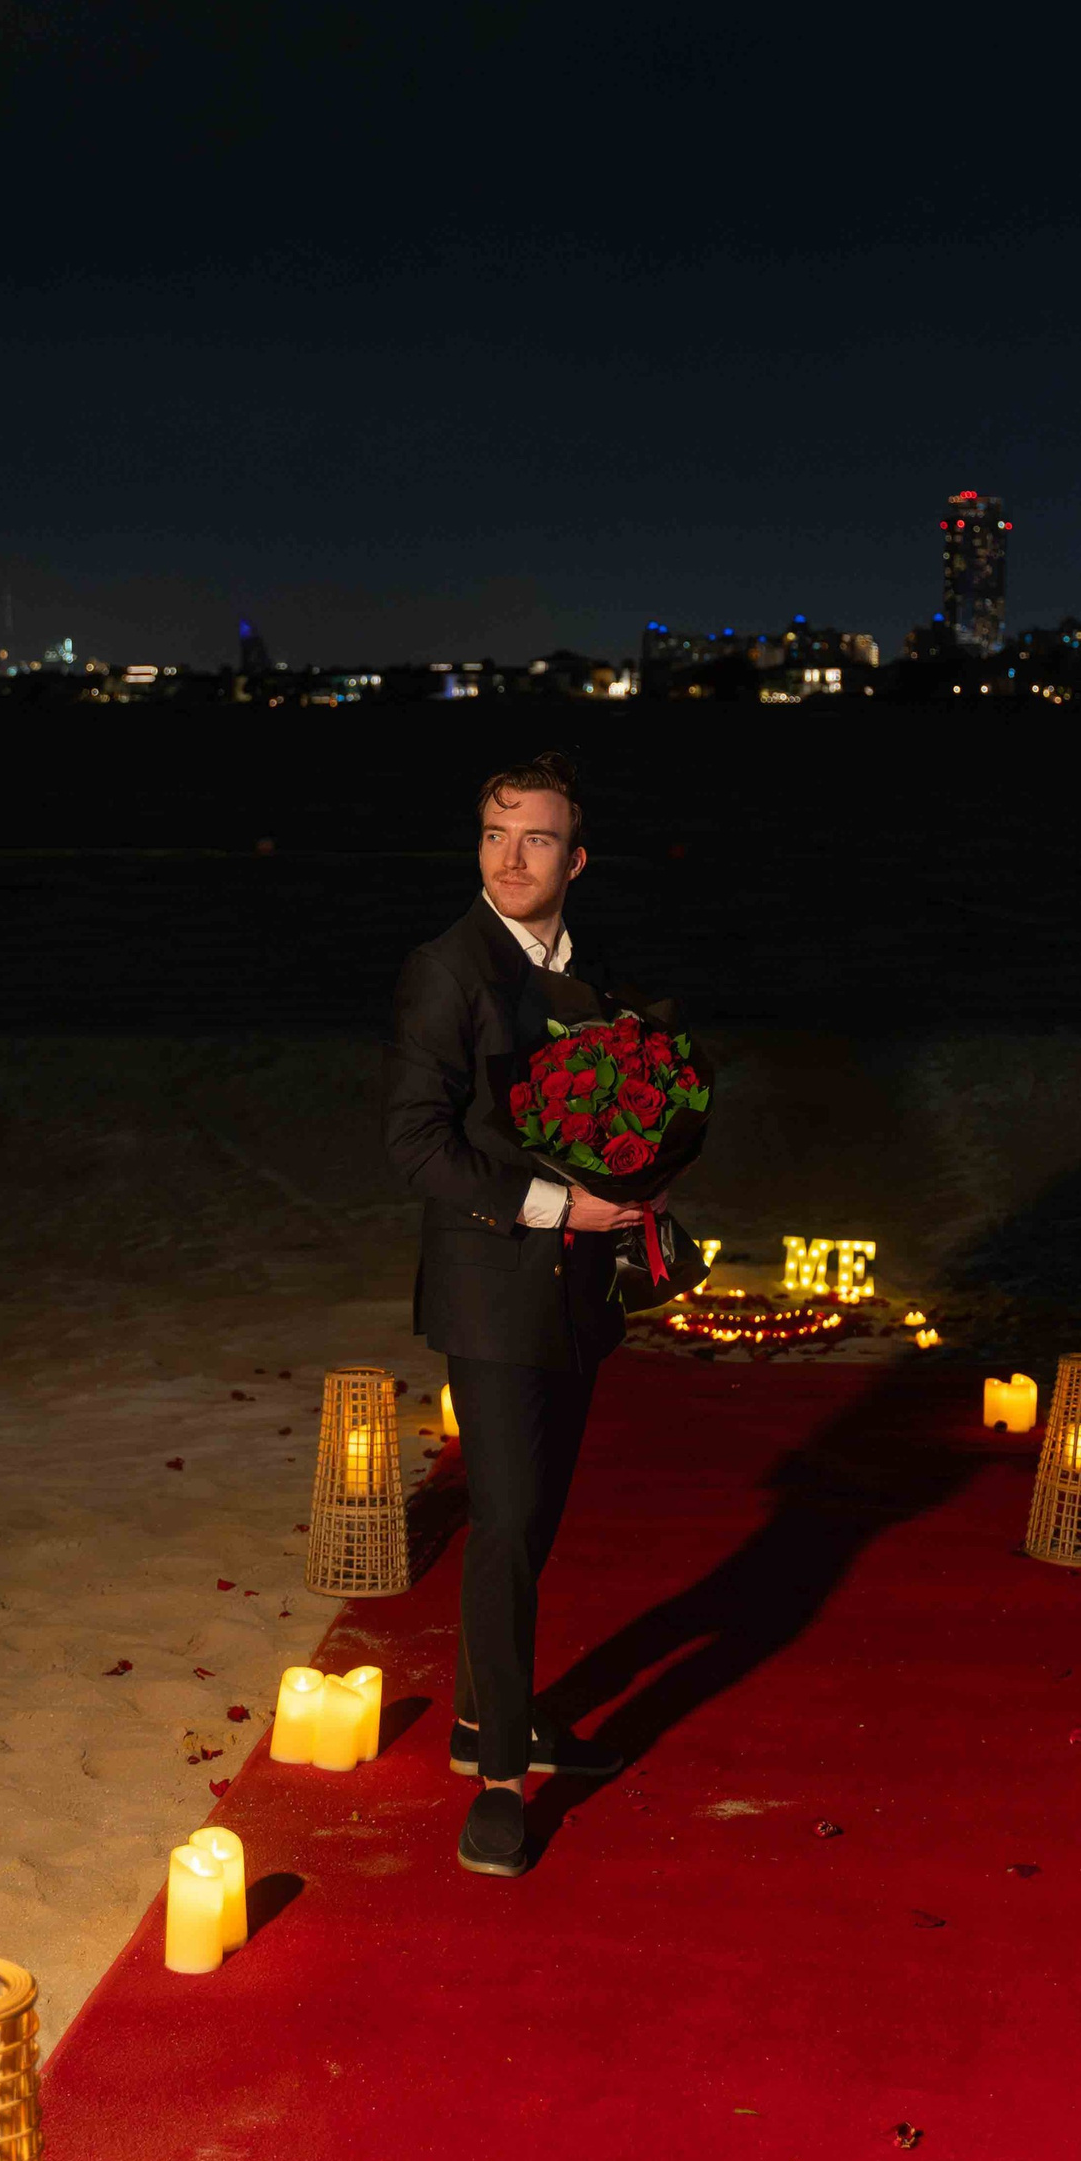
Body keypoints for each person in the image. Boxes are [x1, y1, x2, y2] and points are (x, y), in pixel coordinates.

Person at [384, 749, 645, 1877]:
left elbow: (616, 1108)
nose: (510, 856)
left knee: (535, 1523)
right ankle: (498, 1781)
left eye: (536, 837)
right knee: (505, 1518)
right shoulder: (446, 970)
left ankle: (478, 1715)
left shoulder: (591, 970)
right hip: (489, 1284)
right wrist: (556, 1206)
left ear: (575, 858)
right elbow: (415, 1143)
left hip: (576, 1287)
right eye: (495, 834)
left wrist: (641, 1185)